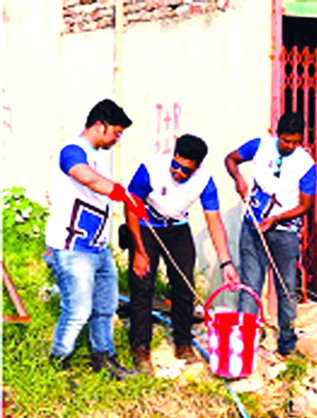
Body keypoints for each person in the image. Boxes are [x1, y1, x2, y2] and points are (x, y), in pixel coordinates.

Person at [43, 99, 146, 379]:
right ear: (100, 125)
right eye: (116, 132)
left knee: (105, 307)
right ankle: (57, 364)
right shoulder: (72, 150)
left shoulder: (97, 155)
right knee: (77, 310)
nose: (117, 138)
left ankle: (104, 359)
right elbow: (85, 177)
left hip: (98, 248)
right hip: (71, 248)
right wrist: (123, 194)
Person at [125, 134, 240, 372]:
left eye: (185, 170)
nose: (178, 172)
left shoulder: (204, 181)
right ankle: (141, 348)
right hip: (146, 228)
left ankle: (183, 343)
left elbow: (214, 222)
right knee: (142, 285)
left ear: (196, 168)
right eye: (175, 165)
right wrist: (138, 250)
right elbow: (131, 206)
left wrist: (226, 263)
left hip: (177, 229)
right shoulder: (151, 168)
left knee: (184, 287)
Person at [224, 112, 317, 357]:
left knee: (286, 287)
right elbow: (231, 159)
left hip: (285, 232)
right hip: (253, 226)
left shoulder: (306, 164)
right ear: (277, 134)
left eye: (294, 142)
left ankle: (287, 341)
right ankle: (245, 343)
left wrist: (275, 219)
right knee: (250, 284)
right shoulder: (260, 146)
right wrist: (238, 179)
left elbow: (305, 206)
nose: (289, 146)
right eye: (285, 140)